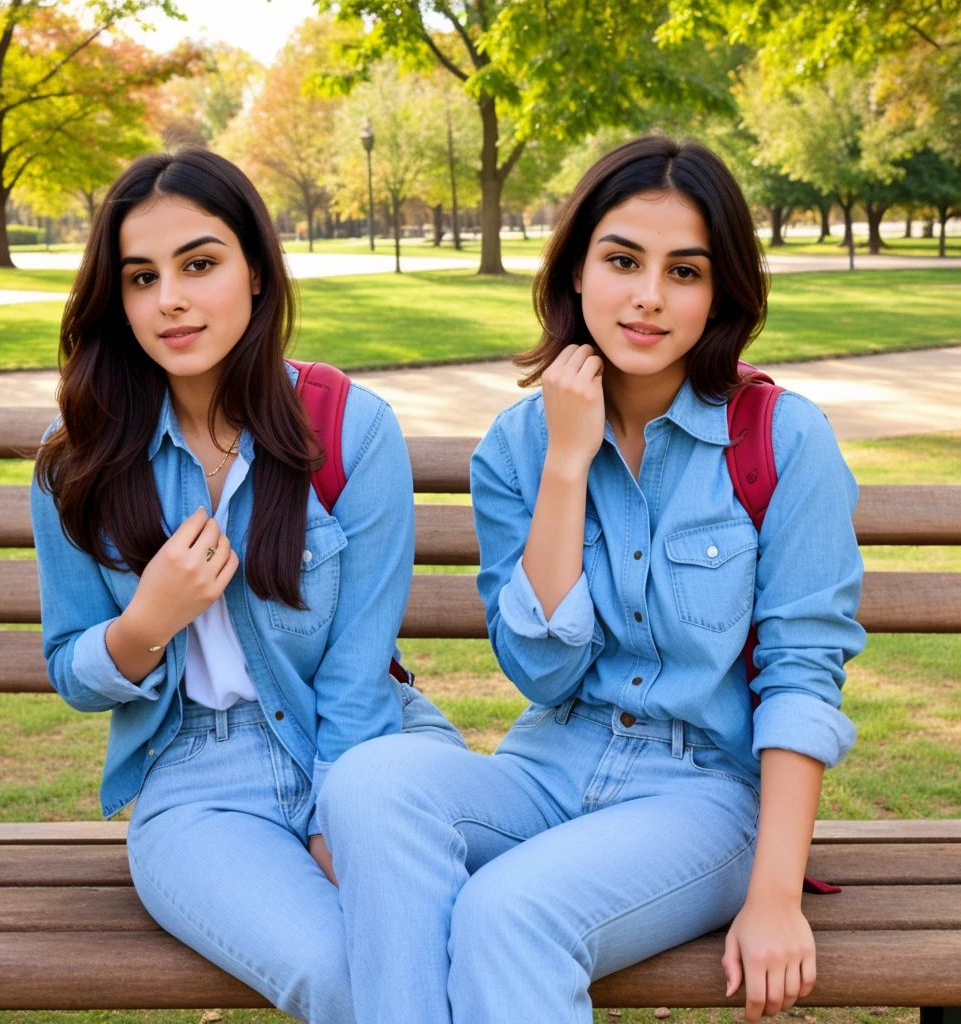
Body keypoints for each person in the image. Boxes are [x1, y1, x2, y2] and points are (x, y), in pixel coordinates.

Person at [317, 135, 866, 1024]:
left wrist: (774, 897)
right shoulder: (519, 446)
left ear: (718, 290)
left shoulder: (784, 440)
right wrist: (568, 466)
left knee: (508, 916)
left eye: (684, 271)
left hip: (704, 794)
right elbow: (541, 673)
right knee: (368, 782)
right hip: (547, 762)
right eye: (622, 260)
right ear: (577, 269)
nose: (649, 296)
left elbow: (803, 673)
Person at [31, 148, 462, 1024]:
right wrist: (145, 623)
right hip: (195, 780)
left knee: (457, 941)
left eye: (199, 264)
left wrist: (338, 814)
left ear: (257, 273)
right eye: (141, 278)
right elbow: (70, 665)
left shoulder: (350, 429)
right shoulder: (77, 459)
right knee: (343, 972)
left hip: (368, 748)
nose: (170, 300)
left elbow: (359, 665)